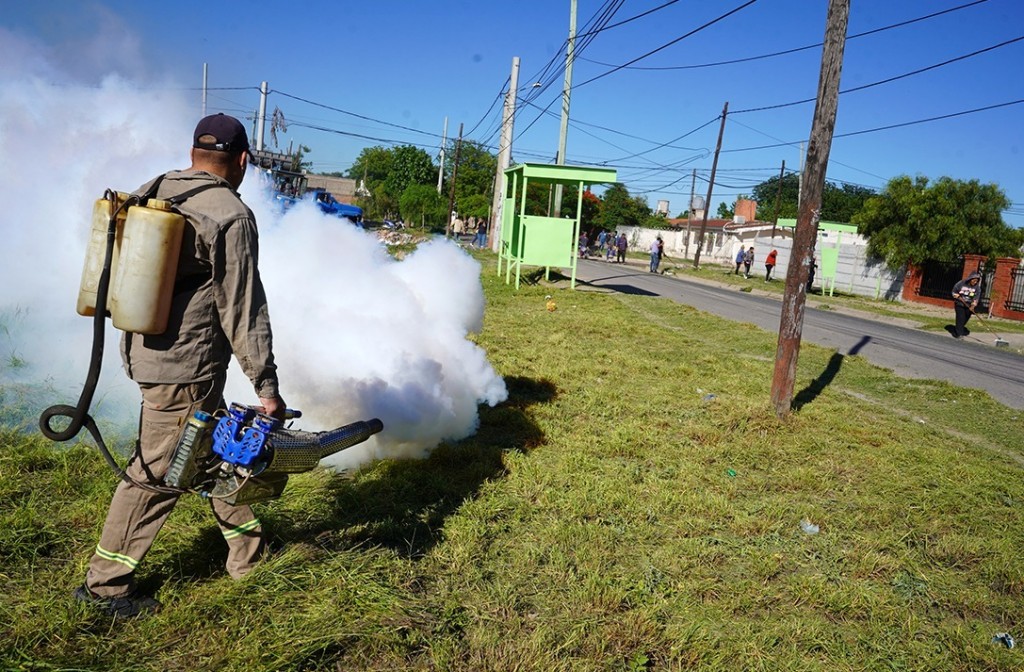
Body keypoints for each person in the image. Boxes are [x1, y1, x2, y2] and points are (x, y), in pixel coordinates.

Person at [73, 114, 287, 619]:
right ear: (241, 160)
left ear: (193, 152)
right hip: (185, 370)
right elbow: (243, 307)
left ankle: (248, 556)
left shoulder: (156, 188)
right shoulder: (229, 213)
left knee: (211, 455)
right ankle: (105, 586)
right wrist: (267, 385)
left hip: (145, 352)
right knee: (158, 473)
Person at [951, 272, 982, 339]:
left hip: (969, 305)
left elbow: (976, 298)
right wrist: (958, 296)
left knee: (965, 318)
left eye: (977, 281)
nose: (975, 282)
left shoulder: (977, 288)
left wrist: (973, 306)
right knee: (960, 318)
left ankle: (958, 328)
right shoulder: (961, 283)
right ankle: (958, 334)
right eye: (974, 280)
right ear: (970, 279)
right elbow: (954, 292)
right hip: (959, 304)